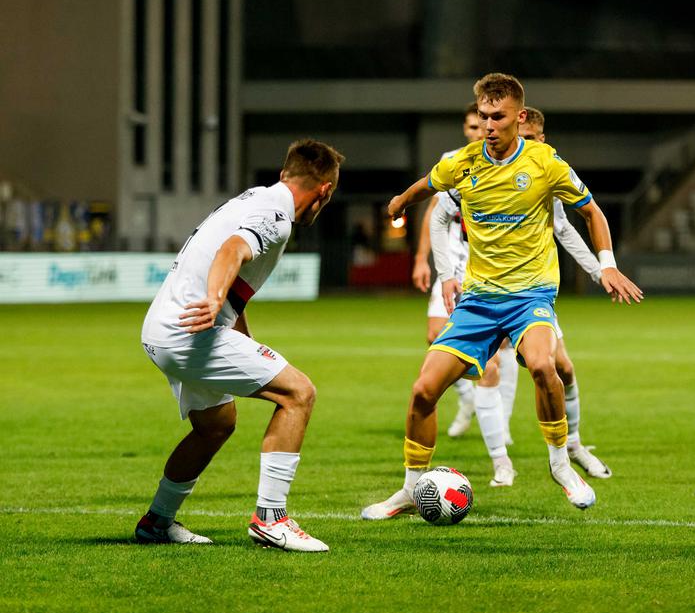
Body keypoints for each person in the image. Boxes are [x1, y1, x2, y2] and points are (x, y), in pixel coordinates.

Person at [362, 73, 642, 520]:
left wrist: (605, 264)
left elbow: (590, 211)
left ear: (520, 116)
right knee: (423, 390)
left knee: (545, 365)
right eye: (484, 116)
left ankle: (560, 464)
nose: (490, 126)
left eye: (499, 117)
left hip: (530, 296)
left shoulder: (545, 162)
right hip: (478, 301)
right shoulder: (464, 162)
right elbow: (427, 187)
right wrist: (399, 202)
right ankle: (411, 489)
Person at [137, 139, 344, 551]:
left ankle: (157, 522)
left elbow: (235, 280)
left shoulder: (253, 198)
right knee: (298, 393)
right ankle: (271, 519)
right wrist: (215, 301)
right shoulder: (277, 217)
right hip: (190, 331)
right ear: (324, 191)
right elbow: (232, 251)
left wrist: (238, 331)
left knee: (216, 426)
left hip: (162, 328)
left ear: (285, 174)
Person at [430, 106, 613, 488]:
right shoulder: (470, 165)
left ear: (540, 140)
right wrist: (442, 272)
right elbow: (437, 213)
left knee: (561, 368)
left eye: (528, 139)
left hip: (530, 289)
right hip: (480, 283)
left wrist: (600, 270)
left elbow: (565, 228)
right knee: (485, 366)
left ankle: (573, 446)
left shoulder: (543, 172)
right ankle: (501, 460)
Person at [411, 102, 481, 437]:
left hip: (485, 266)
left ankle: (499, 426)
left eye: (482, 125)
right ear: (465, 129)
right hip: (451, 262)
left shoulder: (504, 164)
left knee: (499, 351)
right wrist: (420, 258)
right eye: (472, 126)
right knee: (434, 335)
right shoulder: (452, 161)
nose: (478, 131)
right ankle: (468, 399)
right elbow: (433, 213)